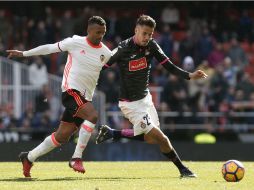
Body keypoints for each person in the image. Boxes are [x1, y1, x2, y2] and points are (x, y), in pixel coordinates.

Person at [94, 15, 208, 178]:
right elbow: (102, 66)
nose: (147, 37)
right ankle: (183, 169)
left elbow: (169, 65)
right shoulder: (123, 48)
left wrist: (189, 75)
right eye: (144, 33)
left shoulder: (152, 46)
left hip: (145, 100)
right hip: (130, 104)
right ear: (136, 30)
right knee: (161, 138)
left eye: (150, 34)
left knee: (149, 138)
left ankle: (112, 133)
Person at [6, 16, 112, 177]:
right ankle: (76, 158)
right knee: (92, 115)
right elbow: (49, 48)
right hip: (71, 92)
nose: (100, 36)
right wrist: (24, 53)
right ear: (89, 31)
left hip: (85, 98)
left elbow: (115, 62)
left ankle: (28, 157)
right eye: (98, 32)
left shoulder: (105, 52)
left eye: (103, 33)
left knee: (62, 136)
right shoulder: (75, 42)